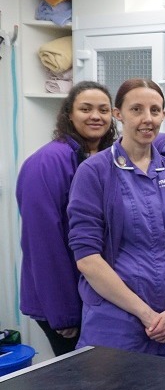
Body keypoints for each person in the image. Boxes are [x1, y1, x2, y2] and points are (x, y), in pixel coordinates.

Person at [67, 78, 165, 356]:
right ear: (119, 114)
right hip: (115, 324)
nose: (147, 119)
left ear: (163, 115)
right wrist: (146, 314)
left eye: (155, 110)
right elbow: (87, 258)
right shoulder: (94, 172)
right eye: (136, 109)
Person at [17, 81, 118, 356]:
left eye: (103, 110)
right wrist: (64, 312)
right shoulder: (47, 162)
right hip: (63, 300)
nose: (95, 116)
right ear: (69, 114)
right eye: (85, 109)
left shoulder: (104, 157)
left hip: (94, 294)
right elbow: (43, 241)